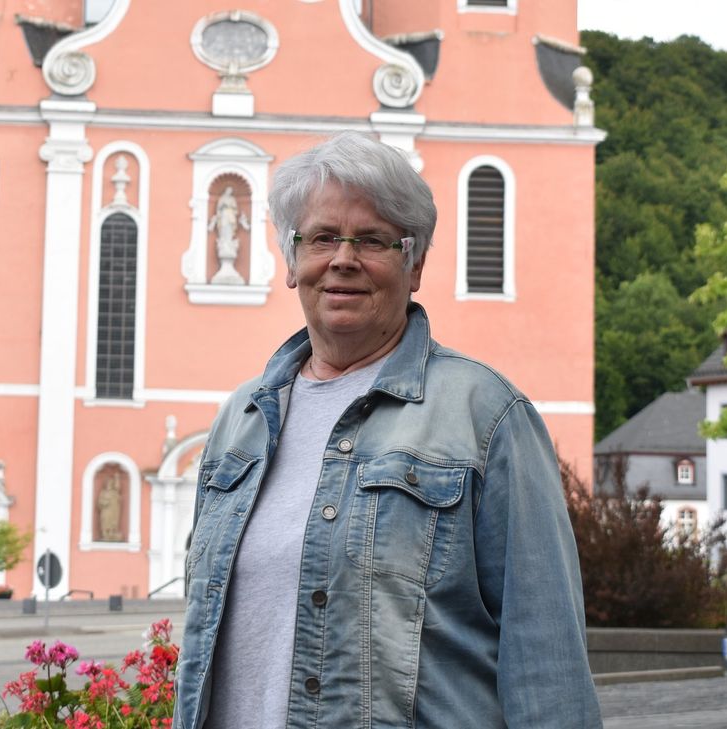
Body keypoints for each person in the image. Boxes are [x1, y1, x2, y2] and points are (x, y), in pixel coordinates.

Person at [174, 132, 601, 728]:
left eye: (372, 240)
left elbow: (545, 657)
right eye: (322, 237)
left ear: (415, 263)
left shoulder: (486, 414)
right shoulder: (240, 419)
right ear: (292, 262)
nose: (342, 258)